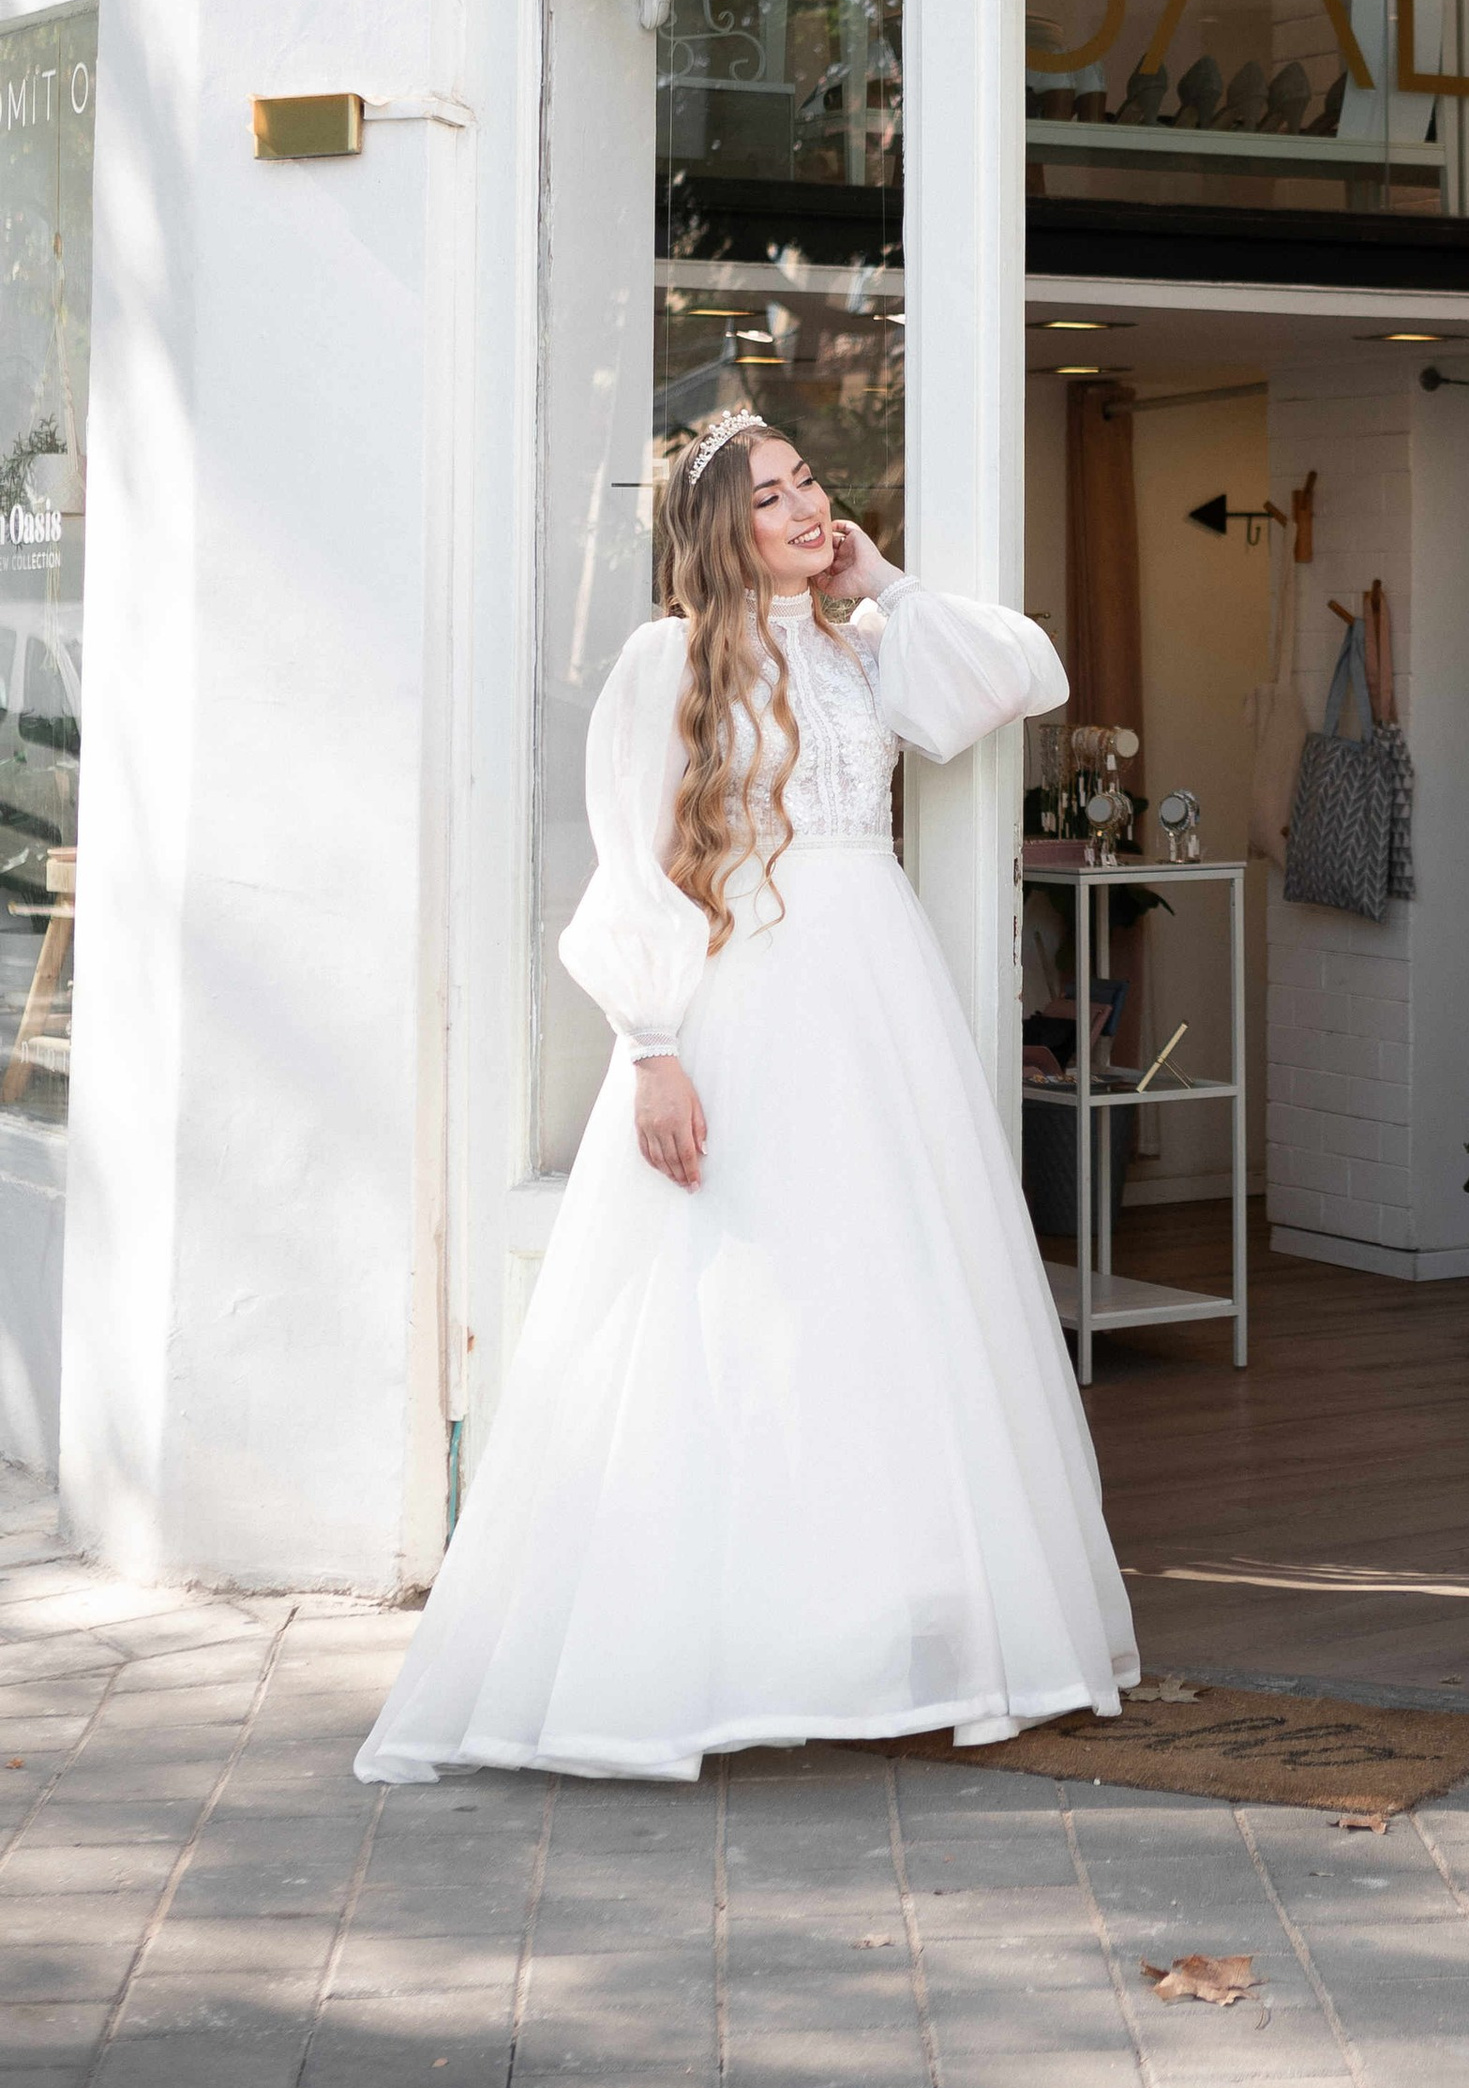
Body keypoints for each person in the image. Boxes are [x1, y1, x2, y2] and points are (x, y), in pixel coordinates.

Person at [357, 412, 1133, 1785]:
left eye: (810, 482)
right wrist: (652, 1045)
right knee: (736, 1306)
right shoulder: (666, 663)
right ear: (722, 527)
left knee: (883, 1301)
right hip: (745, 1007)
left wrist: (881, 581)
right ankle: (707, 1652)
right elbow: (634, 860)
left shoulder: (862, 645)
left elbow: (1029, 673)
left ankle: (880, 1640)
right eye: (772, 497)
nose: (805, 507)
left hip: (877, 1008)